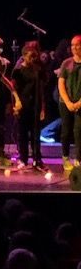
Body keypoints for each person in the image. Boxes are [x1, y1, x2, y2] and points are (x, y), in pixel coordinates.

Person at [12, 45, 46, 170]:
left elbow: (41, 89)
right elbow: (13, 88)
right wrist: (15, 105)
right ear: (24, 56)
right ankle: (23, 159)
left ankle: (37, 159)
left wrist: (42, 107)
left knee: (35, 134)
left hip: (34, 105)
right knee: (23, 133)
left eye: (34, 57)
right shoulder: (18, 70)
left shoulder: (37, 70)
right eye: (30, 56)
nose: (33, 59)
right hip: (23, 104)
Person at [58, 34, 81, 171]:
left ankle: (79, 159)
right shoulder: (66, 63)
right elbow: (61, 84)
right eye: (72, 45)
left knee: (79, 131)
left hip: (79, 102)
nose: (74, 48)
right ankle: (65, 157)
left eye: (77, 45)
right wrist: (68, 102)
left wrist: (79, 103)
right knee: (66, 131)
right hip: (65, 102)